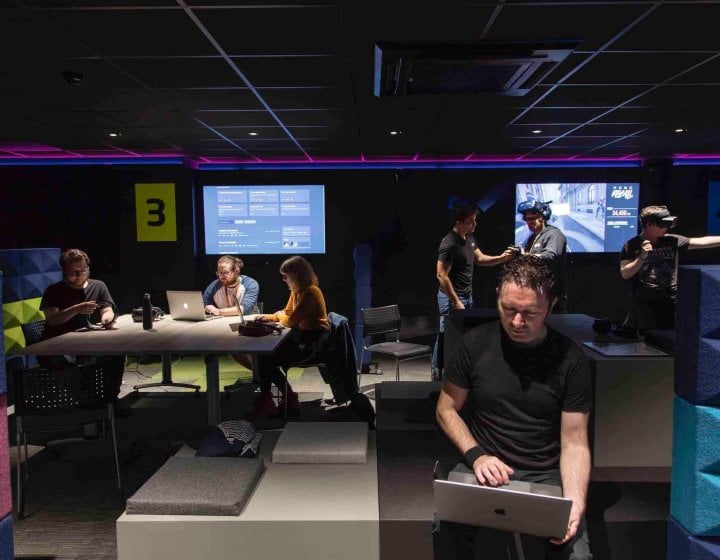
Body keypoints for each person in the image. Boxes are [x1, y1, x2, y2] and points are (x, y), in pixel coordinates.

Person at [434, 256, 592, 560]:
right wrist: (476, 456)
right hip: (482, 467)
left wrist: (575, 500)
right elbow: (446, 409)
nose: (517, 322)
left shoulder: (570, 359)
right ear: (497, 297)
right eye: (509, 309)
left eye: (530, 312)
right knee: (445, 531)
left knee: (577, 555)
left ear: (551, 305)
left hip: (543, 472)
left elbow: (575, 442)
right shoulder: (474, 344)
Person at [433, 203, 516, 380]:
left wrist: (502, 258)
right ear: (459, 222)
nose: (475, 225)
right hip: (450, 298)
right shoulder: (449, 243)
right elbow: (441, 275)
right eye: (471, 222)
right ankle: (437, 374)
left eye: (475, 221)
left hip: (466, 296)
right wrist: (456, 301)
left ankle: (460, 373)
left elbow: (480, 259)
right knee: (445, 336)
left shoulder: (469, 238)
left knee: (465, 335)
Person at [249, 256, 330, 418]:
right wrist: (269, 317)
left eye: (286, 275)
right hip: (303, 338)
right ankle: (272, 398)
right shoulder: (297, 291)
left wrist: (278, 316)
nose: (283, 279)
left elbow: (289, 321)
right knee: (263, 356)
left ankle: (280, 397)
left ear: (297, 274)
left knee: (265, 358)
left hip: (313, 344)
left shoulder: (311, 293)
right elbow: (286, 314)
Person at [620, 205, 720, 331]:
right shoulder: (631, 245)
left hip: (671, 299)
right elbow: (625, 273)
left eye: (669, 224)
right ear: (650, 225)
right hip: (645, 302)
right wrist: (642, 257)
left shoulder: (672, 241)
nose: (667, 228)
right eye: (663, 224)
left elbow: (702, 242)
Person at [39, 248, 116, 369]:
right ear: (64, 271)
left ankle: (111, 388)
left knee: (116, 354)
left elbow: (107, 310)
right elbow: (52, 320)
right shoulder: (53, 290)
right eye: (73, 272)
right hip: (59, 346)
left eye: (83, 270)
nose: (79, 275)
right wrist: (75, 309)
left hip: (89, 342)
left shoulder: (98, 286)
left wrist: (107, 320)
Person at [203, 255, 260, 371]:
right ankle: (260, 374)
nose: (221, 277)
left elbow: (245, 309)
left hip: (248, 324)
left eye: (225, 273)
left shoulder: (250, 284)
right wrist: (206, 308)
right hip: (223, 326)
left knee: (231, 344)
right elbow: (203, 304)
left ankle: (260, 374)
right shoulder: (215, 285)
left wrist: (218, 311)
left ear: (237, 271)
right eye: (219, 273)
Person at [518, 199, 569, 313]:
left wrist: (526, 255)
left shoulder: (554, 234)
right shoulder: (532, 238)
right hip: (536, 293)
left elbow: (550, 256)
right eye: (527, 219)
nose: (529, 222)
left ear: (542, 217)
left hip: (552, 295)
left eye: (532, 219)